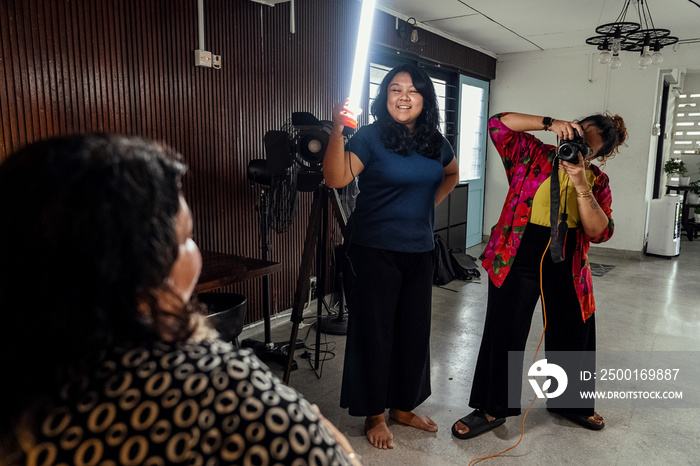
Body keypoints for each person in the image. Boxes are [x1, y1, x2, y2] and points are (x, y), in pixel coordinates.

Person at [0, 134, 360, 465]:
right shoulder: (225, 388)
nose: (195, 253)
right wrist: (335, 445)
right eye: (188, 237)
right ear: (142, 263)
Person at [452, 112, 628, 439]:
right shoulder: (533, 154)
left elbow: (600, 232)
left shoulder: (597, 182)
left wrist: (580, 182)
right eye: (575, 138)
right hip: (519, 250)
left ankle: (571, 403)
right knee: (504, 330)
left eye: (586, 149)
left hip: (569, 258)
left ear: (597, 155)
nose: (576, 149)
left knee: (574, 330)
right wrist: (548, 122)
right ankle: (492, 408)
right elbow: (497, 124)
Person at [324, 64, 459, 450]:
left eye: (413, 90)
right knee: (375, 334)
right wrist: (336, 131)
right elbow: (335, 179)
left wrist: (424, 208)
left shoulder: (437, 142)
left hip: (419, 250)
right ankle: (375, 413)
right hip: (373, 251)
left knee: (414, 333)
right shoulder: (369, 136)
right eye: (395, 89)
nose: (404, 96)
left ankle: (403, 407)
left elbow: (451, 174)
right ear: (385, 97)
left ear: (424, 99)